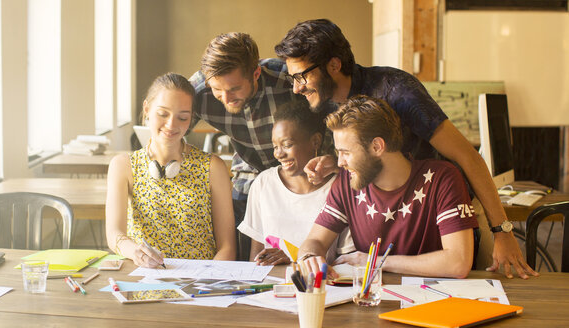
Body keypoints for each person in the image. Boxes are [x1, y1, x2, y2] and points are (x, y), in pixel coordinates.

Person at [275, 19, 538, 279]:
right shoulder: (326, 100)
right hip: (393, 222)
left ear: (334, 65)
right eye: (293, 78)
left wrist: (502, 231)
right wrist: (340, 159)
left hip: (446, 211)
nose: (297, 87)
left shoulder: (397, 92)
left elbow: (466, 155)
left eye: (302, 76)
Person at [299, 95, 478, 279]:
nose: (339, 162)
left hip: (432, 300)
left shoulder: (443, 179)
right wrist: (309, 257)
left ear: (377, 146)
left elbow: (459, 263)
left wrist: (375, 262)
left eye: (346, 152)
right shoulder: (347, 182)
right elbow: (314, 240)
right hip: (371, 300)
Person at [105, 73, 236, 268]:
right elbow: (115, 234)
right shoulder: (123, 166)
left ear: (191, 119)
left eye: (182, 117)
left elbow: (227, 247)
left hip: (200, 283)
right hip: (145, 277)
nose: (171, 125)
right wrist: (135, 252)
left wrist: (206, 280)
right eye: (163, 114)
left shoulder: (212, 167)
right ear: (147, 109)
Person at [189, 32, 298, 260]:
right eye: (217, 90)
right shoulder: (198, 90)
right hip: (248, 174)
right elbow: (168, 123)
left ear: (256, 73)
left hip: (296, 173)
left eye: (234, 89)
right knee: (238, 239)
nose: (225, 99)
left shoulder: (288, 80)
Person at [237, 101, 355, 266]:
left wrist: (294, 261)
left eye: (287, 145)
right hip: (271, 287)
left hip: (320, 286)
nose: (279, 154)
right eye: (275, 146)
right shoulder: (264, 183)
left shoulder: (339, 188)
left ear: (315, 141)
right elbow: (256, 258)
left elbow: (344, 264)